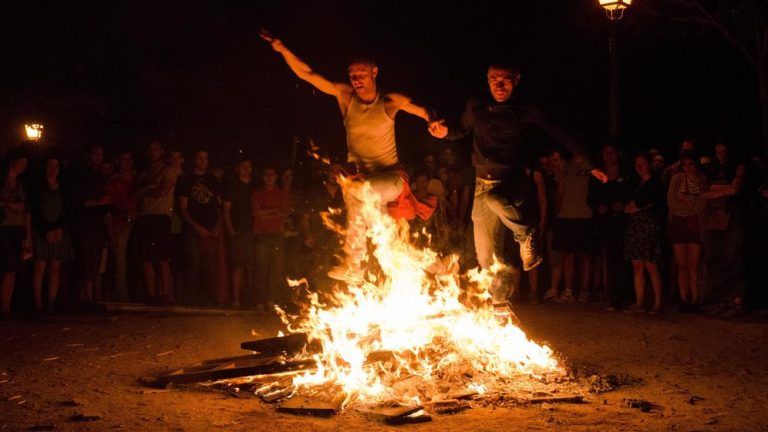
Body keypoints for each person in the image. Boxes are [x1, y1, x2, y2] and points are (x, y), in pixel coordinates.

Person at [430, 59, 607, 311]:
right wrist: (444, 132)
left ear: (516, 79)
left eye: (505, 80)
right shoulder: (477, 105)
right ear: (487, 79)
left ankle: (526, 235)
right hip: (482, 184)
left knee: (496, 200)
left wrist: (589, 162)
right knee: (485, 255)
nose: (499, 85)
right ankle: (500, 304)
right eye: (494, 79)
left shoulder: (526, 108)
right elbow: (460, 129)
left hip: (514, 182)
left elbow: (560, 133)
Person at [261, 31, 437, 281]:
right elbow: (307, 74)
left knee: (357, 191)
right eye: (353, 75)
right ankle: (439, 267)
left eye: (362, 74)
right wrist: (283, 50)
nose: (356, 79)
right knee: (394, 245)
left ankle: (354, 265)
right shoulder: (346, 97)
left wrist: (434, 122)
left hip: (391, 180)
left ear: (374, 72)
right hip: (363, 181)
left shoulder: (388, 101)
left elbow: (421, 109)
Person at [701, 139, 746, 317]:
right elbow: (703, 191)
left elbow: (735, 189)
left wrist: (716, 192)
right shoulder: (711, 169)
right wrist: (723, 190)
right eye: (718, 152)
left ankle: (736, 301)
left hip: (732, 216)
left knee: (733, 256)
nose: (721, 156)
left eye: (724, 152)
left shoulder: (739, 166)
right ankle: (720, 301)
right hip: (715, 218)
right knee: (716, 257)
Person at [587, 144, 633, 311]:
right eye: (606, 153)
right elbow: (590, 198)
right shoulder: (597, 174)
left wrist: (623, 204)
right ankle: (614, 298)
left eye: (612, 152)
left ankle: (627, 296)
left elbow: (632, 193)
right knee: (611, 259)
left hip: (624, 221)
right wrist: (599, 206)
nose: (609, 156)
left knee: (626, 259)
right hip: (606, 222)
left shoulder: (626, 173)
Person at [132, 140, 177, 304]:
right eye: (150, 150)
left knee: (161, 256)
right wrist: (146, 188)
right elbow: (134, 194)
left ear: (161, 151)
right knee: (146, 258)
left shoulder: (168, 170)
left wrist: (145, 190)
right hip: (144, 217)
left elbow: (162, 192)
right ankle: (151, 295)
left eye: (156, 150)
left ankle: (164, 293)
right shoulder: (144, 174)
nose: (153, 153)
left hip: (159, 217)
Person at [29, 156, 75, 314]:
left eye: (56, 166)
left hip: (58, 230)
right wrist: (45, 230)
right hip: (43, 231)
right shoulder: (37, 187)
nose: (54, 169)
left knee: (55, 268)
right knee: (39, 267)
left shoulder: (64, 187)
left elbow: (66, 210)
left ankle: (51, 303)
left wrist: (59, 228)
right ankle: (38, 305)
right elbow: (35, 211)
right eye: (50, 166)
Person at [177, 149, 222, 305]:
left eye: (206, 159)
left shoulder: (213, 180)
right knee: (193, 264)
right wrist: (197, 227)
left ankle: (209, 300)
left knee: (210, 265)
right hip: (193, 230)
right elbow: (183, 209)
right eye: (200, 158)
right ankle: (191, 300)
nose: (203, 162)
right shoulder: (185, 179)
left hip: (210, 229)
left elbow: (220, 206)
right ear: (194, 160)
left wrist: (217, 225)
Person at [624, 154, 665, 313]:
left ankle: (657, 303)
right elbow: (629, 205)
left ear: (649, 165)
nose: (640, 167)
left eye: (643, 164)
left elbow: (647, 204)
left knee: (651, 265)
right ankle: (640, 302)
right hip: (635, 225)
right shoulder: (637, 184)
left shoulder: (655, 183)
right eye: (637, 164)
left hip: (647, 225)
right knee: (637, 265)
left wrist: (636, 207)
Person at [667, 150, 706, 313]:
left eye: (691, 163)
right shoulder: (676, 179)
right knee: (682, 264)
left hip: (695, 222)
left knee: (693, 265)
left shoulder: (702, 180)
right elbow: (671, 201)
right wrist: (690, 202)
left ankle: (695, 300)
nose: (688, 167)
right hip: (679, 222)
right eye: (685, 164)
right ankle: (684, 299)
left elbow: (702, 203)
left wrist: (687, 200)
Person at [74, 145, 111, 303]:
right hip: (86, 224)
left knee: (96, 260)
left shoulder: (100, 177)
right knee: (88, 259)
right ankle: (87, 296)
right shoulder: (81, 175)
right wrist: (98, 202)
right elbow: (77, 201)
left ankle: (90, 295)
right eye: (96, 153)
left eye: (101, 154)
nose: (99, 157)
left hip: (98, 224)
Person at [252, 166, 288, 310]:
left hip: (277, 234)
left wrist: (264, 213)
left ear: (275, 177)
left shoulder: (282, 193)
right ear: (262, 177)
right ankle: (260, 301)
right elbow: (256, 213)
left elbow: (284, 213)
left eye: (272, 175)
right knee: (261, 267)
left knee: (275, 268)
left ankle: (271, 300)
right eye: (266, 175)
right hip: (261, 234)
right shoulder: (257, 193)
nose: (269, 177)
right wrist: (275, 210)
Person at [222, 155, 256, 309]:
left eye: (248, 166)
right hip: (238, 231)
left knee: (252, 266)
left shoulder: (256, 186)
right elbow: (226, 210)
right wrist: (231, 230)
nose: (246, 169)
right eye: (243, 167)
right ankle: (236, 298)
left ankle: (252, 299)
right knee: (238, 265)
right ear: (237, 169)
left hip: (254, 231)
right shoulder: (232, 186)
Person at [0, 150, 31, 318]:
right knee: (8, 266)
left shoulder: (21, 183)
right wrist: (9, 204)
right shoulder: (3, 181)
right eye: (22, 162)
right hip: (4, 226)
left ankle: (10, 306)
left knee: (17, 267)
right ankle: (4, 306)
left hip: (18, 226)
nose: (24, 166)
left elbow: (24, 206)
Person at [105, 151, 137, 301]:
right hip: (120, 222)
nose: (126, 162)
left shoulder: (138, 179)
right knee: (120, 258)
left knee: (138, 257)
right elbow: (109, 204)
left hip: (138, 221)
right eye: (123, 159)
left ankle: (140, 291)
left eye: (129, 159)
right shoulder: (113, 181)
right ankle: (122, 293)